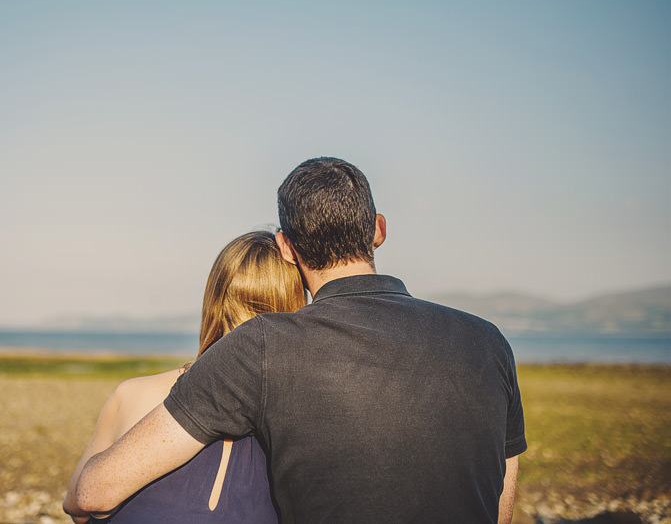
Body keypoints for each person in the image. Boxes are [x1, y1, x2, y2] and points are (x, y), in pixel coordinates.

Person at [67, 157, 527, 524]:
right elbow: (502, 489)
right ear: (378, 230)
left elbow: (94, 493)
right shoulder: (488, 342)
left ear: (286, 247)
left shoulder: (261, 345)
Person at [63, 231, 306, 523]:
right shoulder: (300, 416)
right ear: (294, 306)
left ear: (215, 299)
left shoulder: (134, 394)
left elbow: (78, 508)